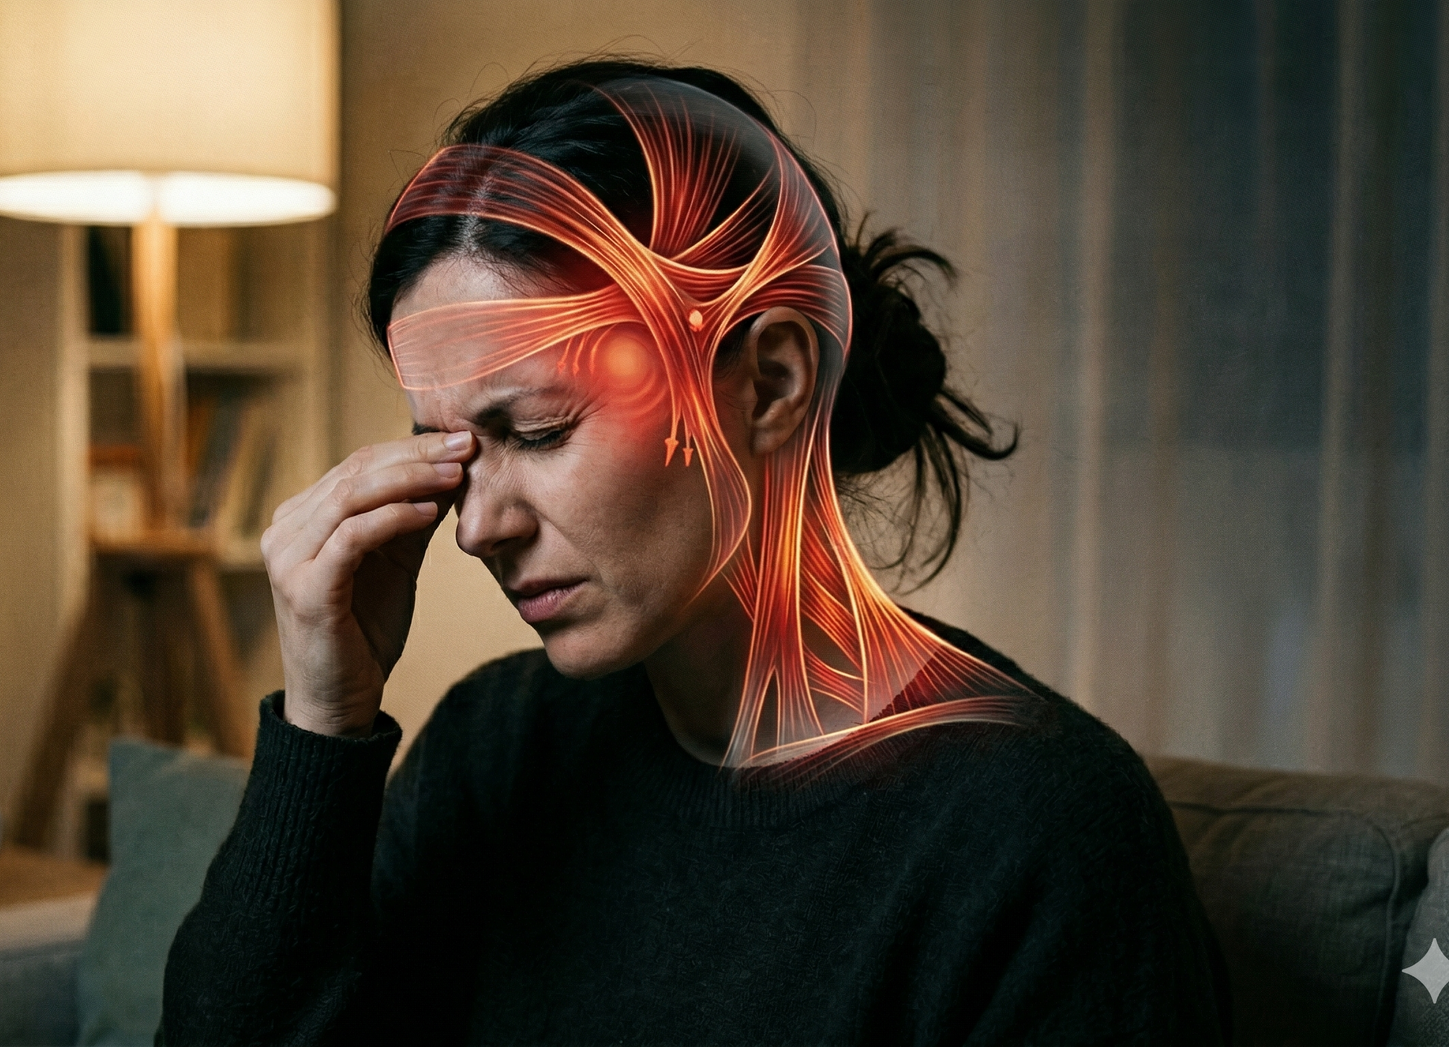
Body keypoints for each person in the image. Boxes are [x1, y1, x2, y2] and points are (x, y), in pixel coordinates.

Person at [162, 58, 1232, 1046]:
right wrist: (322, 726)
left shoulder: (1036, 835)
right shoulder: (501, 748)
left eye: (535, 429)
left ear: (768, 384)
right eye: (446, 449)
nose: (477, 525)